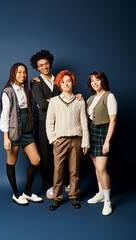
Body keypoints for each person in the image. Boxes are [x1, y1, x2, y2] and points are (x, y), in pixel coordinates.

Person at [30, 50, 83, 199]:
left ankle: (67, 184)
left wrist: (76, 96)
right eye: (41, 65)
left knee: (65, 155)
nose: (44, 67)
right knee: (46, 156)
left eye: (46, 63)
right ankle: (49, 186)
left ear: (50, 63)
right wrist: (53, 101)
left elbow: (67, 96)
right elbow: (41, 104)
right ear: (37, 67)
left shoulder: (59, 80)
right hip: (44, 123)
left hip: (62, 123)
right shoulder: (36, 82)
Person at [46, 70, 90, 211]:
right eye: (63, 82)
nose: (66, 84)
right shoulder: (54, 101)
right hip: (60, 140)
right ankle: (56, 197)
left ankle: (73, 195)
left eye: (68, 81)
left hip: (76, 139)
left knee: (74, 170)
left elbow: (84, 123)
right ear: (59, 84)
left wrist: (85, 142)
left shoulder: (79, 101)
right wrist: (53, 139)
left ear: (73, 83)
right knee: (58, 170)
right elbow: (49, 123)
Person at [0, 62, 43, 205]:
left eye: (24, 72)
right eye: (19, 72)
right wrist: (6, 137)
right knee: (11, 162)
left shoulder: (24, 89)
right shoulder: (8, 91)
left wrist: (34, 82)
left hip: (27, 130)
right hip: (13, 132)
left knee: (36, 160)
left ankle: (27, 192)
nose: (22, 75)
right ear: (13, 73)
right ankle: (16, 193)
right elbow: (5, 115)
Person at [86, 70, 117, 216]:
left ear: (102, 80)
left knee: (101, 168)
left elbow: (113, 120)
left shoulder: (109, 96)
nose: (95, 82)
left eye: (97, 79)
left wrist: (107, 142)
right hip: (91, 133)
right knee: (96, 167)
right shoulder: (91, 99)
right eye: (92, 80)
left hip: (103, 134)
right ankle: (100, 193)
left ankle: (108, 202)